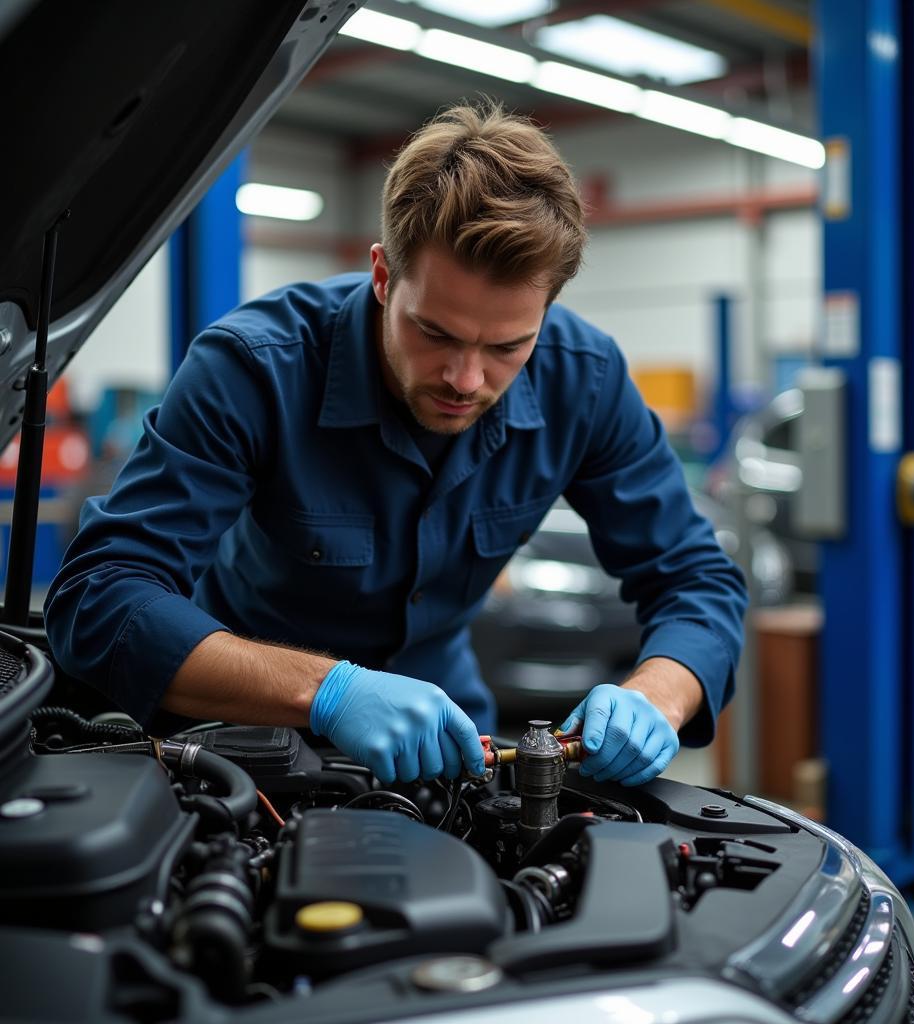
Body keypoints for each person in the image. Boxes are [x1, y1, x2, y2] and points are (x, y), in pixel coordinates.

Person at [45, 102, 747, 788]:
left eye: (507, 345)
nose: (466, 379)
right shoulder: (255, 368)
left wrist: (659, 694)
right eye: (436, 333)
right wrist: (329, 692)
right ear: (383, 276)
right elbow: (99, 596)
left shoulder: (584, 381)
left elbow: (696, 577)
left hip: (450, 748)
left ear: (548, 309)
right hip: (237, 745)